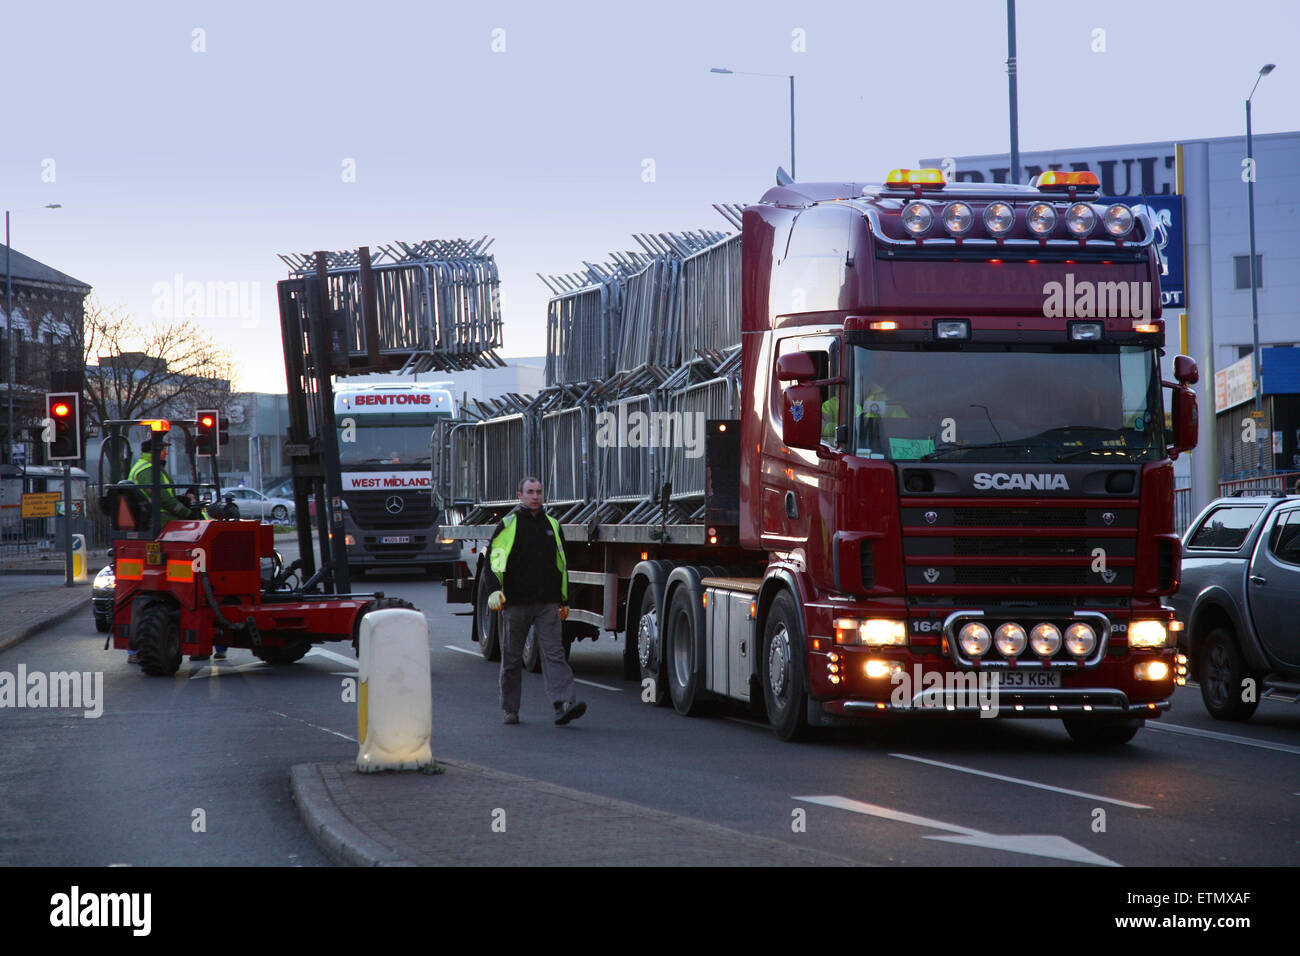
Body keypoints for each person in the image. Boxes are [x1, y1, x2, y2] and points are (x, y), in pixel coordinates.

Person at [485, 477, 586, 726]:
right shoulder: (508, 525)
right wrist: (494, 590)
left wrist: (564, 600)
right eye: (530, 492)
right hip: (516, 603)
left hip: (547, 604)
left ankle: (564, 703)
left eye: (539, 492)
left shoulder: (552, 524)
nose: (535, 496)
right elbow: (494, 560)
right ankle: (510, 709)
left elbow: (561, 566)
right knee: (511, 658)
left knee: (555, 654)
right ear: (519, 495)